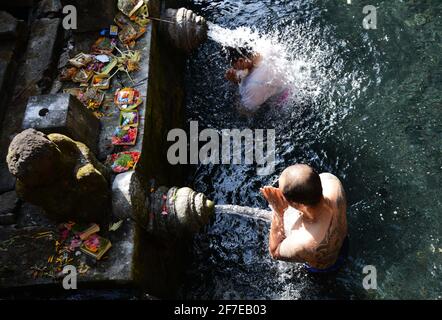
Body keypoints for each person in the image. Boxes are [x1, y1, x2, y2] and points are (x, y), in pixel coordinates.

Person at [260, 164, 348, 272]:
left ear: (295, 204)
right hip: (343, 243)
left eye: (282, 194)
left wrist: (278, 211)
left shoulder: (303, 242)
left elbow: (274, 252)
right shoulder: (332, 183)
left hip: (324, 269)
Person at [224, 46, 289, 113]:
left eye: (234, 66)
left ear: (241, 61)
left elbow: (245, 110)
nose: (233, 68)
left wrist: (235, 82)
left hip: (283, 101)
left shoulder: (253, 86)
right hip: (287, 81)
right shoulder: (265, 48)